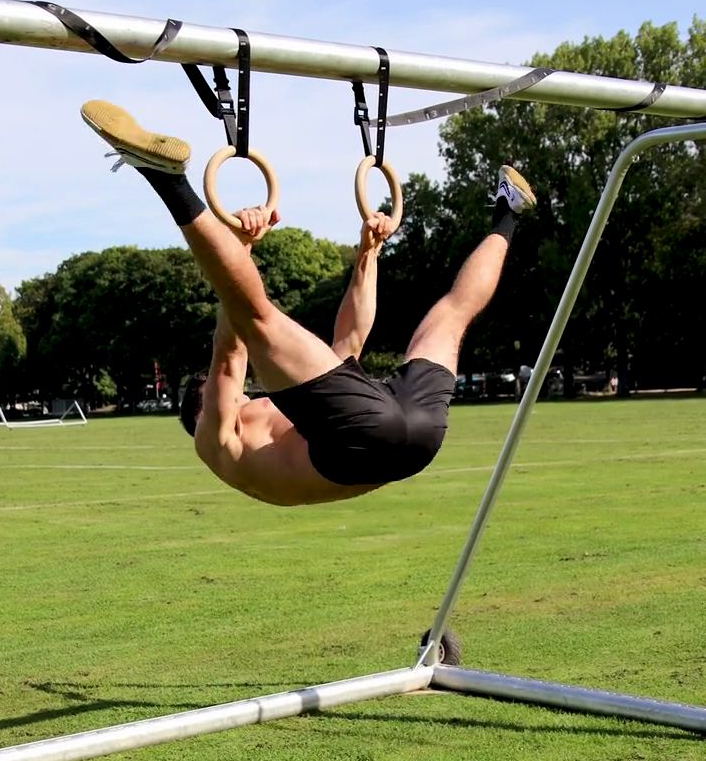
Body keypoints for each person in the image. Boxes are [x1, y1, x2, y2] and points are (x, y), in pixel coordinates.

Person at [81, 100, 536, 506]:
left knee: (452, 314)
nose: (248, 394)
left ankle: (508, 211)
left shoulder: (282, 425)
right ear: (202, 409)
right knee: (257, 318)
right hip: (359, 444)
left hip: (412, 440)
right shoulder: (215, 443)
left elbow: (349, 341)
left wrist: (368, 254)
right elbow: (228, 355)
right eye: (240, 396)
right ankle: (166, 180)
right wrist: (242, 246)